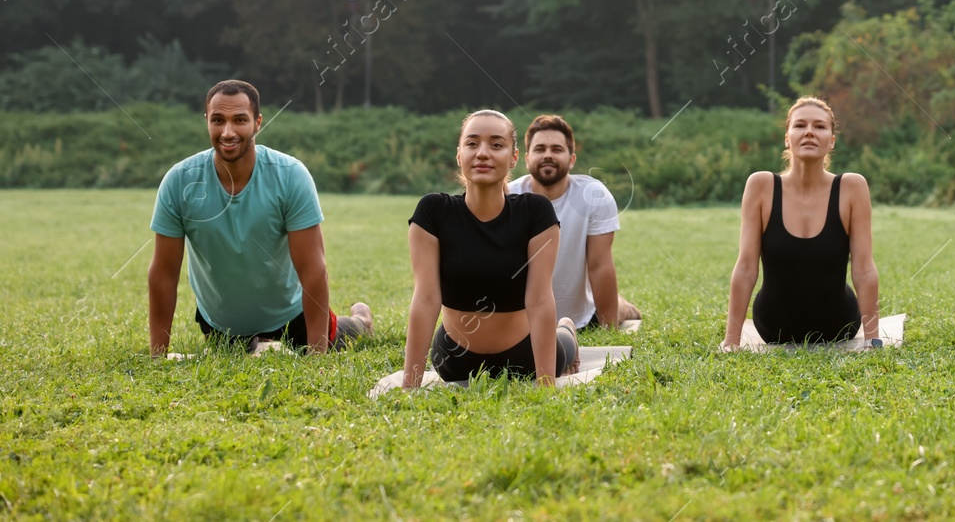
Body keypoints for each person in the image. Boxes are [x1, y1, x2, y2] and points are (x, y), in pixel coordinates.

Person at [147, 80, 372, 355]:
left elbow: (313, 269)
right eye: (218, 120)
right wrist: (157, 354)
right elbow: (163, 273)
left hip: (292, 316)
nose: (228, 132)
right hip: (220, 324)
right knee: (242, 355)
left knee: (348, 333)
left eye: (239, 120)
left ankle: (361, 318)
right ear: (207, 121)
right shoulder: (179, 181)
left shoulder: (291, 175)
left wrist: (317, 356)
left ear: (257, 123)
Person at [402, 110, 577, 387]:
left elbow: (540, 299)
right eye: (472, 143)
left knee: (563, 342)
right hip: (454, 359)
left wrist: (547, 386)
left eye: (496, 144)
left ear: (514, 157)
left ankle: (567, 330)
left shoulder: (535, 212)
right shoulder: (434, 211)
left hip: (524, 356)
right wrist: (408, 388)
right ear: (459, 154)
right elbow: (425, 299)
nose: (483, 153)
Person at [721, 96, 880, 347]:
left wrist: (873, 340)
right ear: (787, 137)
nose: (809, 132)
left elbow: (864, 269)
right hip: (774, 326)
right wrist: (731, 342)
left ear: (831, 141)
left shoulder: (852, 187)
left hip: (838, 325)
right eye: (799, 126)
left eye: (819, 126)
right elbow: (745, 268)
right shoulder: (761, 186)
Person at [506, 114, 640, 329]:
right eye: (540, 149)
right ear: (527, 158)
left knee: (617, 311)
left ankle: (623, 305)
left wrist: (610, 328)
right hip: (524, 321)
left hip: (582, 317)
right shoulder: (507, 197)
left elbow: (600, 265)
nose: (548, 155)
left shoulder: (593, 194)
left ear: (571, 159)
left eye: (557, 149)